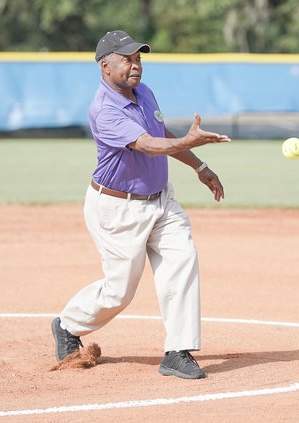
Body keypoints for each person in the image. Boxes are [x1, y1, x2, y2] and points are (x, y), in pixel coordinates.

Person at [51, 30, 230, 380]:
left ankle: (178, 351)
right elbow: (147, 144)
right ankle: (67, 325)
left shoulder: (144, 93)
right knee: (119, 292)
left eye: (138, 58)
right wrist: (188, 139)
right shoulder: (104, 109)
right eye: (126, 59)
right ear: (105, 66)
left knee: (183, 260)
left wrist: (200, 166)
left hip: (161, 200)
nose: (135, 65)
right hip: (118, 209)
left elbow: (162, 137)